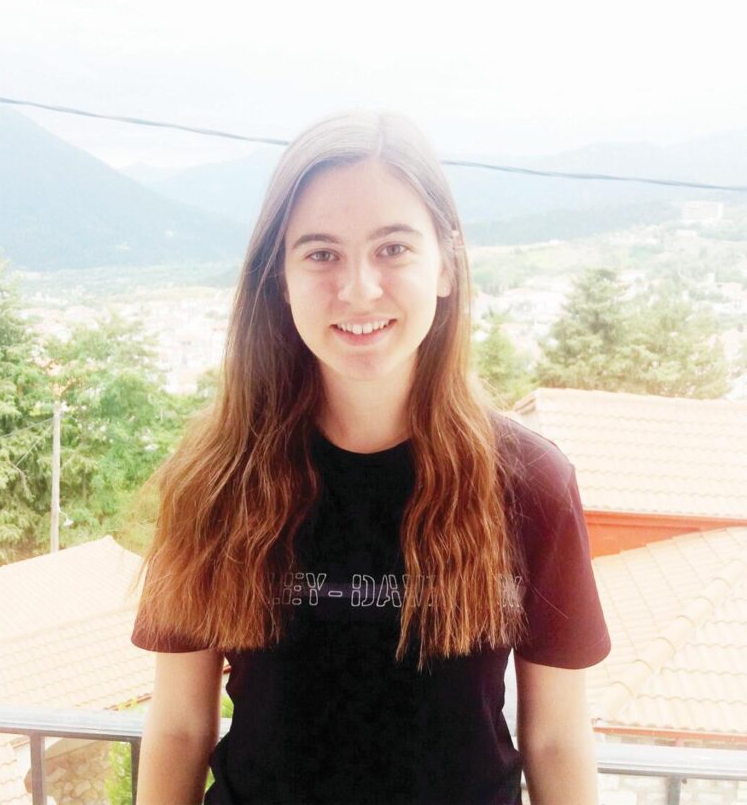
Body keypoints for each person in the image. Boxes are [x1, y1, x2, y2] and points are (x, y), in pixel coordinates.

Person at [129, 110, 611, 805]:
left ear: (445, 264)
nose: (358, 288)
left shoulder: (529, 483)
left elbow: (557, 739)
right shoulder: (216, 479)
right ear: (279, 278)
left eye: (393, 248)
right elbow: (179, 726)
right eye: (321, 254)